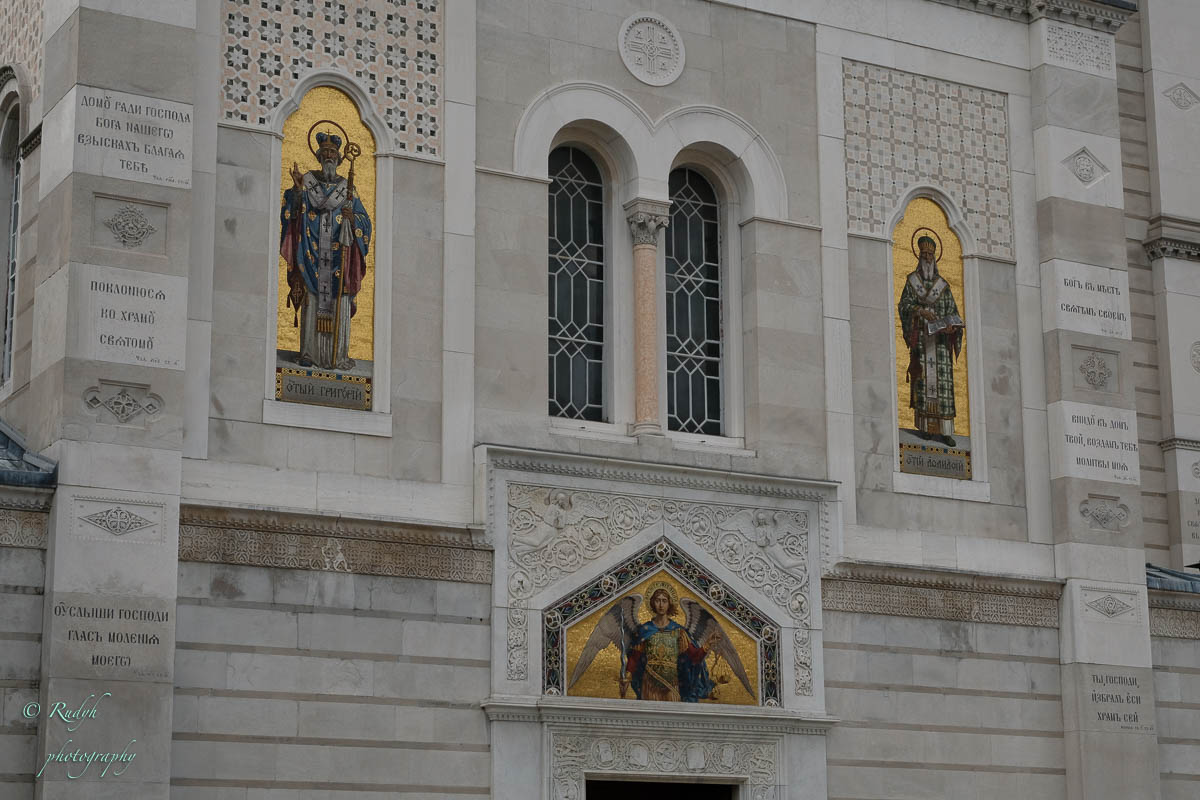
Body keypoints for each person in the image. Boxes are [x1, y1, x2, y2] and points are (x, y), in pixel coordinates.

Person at [279, 131, 371, 371]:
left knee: (339, 302)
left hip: (340, 258)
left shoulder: (347, 188)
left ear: (339, 158)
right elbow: (291, 212)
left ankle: (337, 357)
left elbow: (365, 222)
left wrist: (353, 219)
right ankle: (308, 353)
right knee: (312, 300)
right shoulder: (308, 183)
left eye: (333, 152)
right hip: (312, 255)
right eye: (325, 152)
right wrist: (297, 191)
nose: (329, 156)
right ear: (319, 156)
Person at [898, 235, 965, 447]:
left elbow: (953, 311)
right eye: (924, 253)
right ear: (919, 255)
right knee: (924, 383)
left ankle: (945, 431)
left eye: (930, 254)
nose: (927, 257)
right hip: (922, 341)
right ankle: (926, 428)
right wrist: (919, 311)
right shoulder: (912, 282)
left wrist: (953, 327)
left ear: (935, 257)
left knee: (943, 387)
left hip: (941, 344)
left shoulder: (943, 286)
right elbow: (904, 306)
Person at [620, 586, 717, 702]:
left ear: (669, 604)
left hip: (672, 685)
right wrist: (627, 677)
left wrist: (707, 644)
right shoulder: (645, 630)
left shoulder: (678, 631)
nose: (661, 605)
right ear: (653, 603)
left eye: (664, 601)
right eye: (658, 600)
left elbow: (694, 658)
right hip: (650, 684)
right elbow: (634, 658)